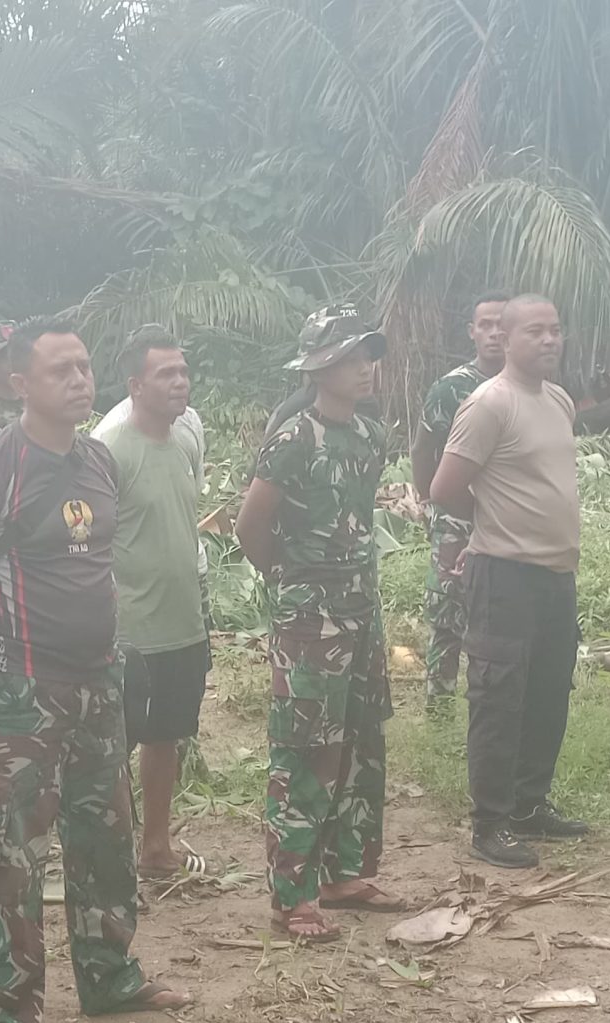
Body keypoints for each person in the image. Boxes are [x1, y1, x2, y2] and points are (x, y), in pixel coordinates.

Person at [0, 319, 192, 1023]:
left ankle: (109, 974)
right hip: (20, 697)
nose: (78, 379)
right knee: (4, 858)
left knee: (104, 837)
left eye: (84, 365)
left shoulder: (97, 460)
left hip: (98, 686)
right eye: (60, 369)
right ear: (19, 385)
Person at [236, 305, 411, 940]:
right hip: (310, 620)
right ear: (318, 368)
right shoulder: (293, 439)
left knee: (362, 743)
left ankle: (345, 874)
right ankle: (292, 895)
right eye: (349, 358)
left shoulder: (369, 434)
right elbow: (249, 527)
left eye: (368, 357)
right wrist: (292, 583)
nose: (365, 369)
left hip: (362, 613)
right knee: (309, 750)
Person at [430, 296, 591, 870]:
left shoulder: (558, 400)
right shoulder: (489, 403)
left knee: (548, 692)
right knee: (498, 699)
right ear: (506, 336)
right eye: (535, 331)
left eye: (556, 330)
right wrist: (494, 519)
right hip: (504, 574)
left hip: (555, 575)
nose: (549, 340)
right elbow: (444, 488)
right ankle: (490, 823)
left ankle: (529, 804)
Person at [94, 325, 213, 879]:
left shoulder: (186, 439)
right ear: (135, 385)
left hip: (182, 621)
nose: (180, 382)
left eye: (183, 371)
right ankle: (111, 853)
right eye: (166, 373)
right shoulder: (110, 450)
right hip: (130, 630)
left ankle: (156, 848)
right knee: (114, 744)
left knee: (167, 737)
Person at [414, 291, 511, 705]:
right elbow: (422, 450)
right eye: (485, 325)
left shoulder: (529, 386)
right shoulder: (451, 389)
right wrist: (430, 502)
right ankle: (439, 706)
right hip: (457, 518)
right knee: (447, 615)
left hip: (508, 521)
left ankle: (491, 701)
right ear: (472, 331)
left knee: (501, 614)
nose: (494, 333)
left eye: (502, 325)